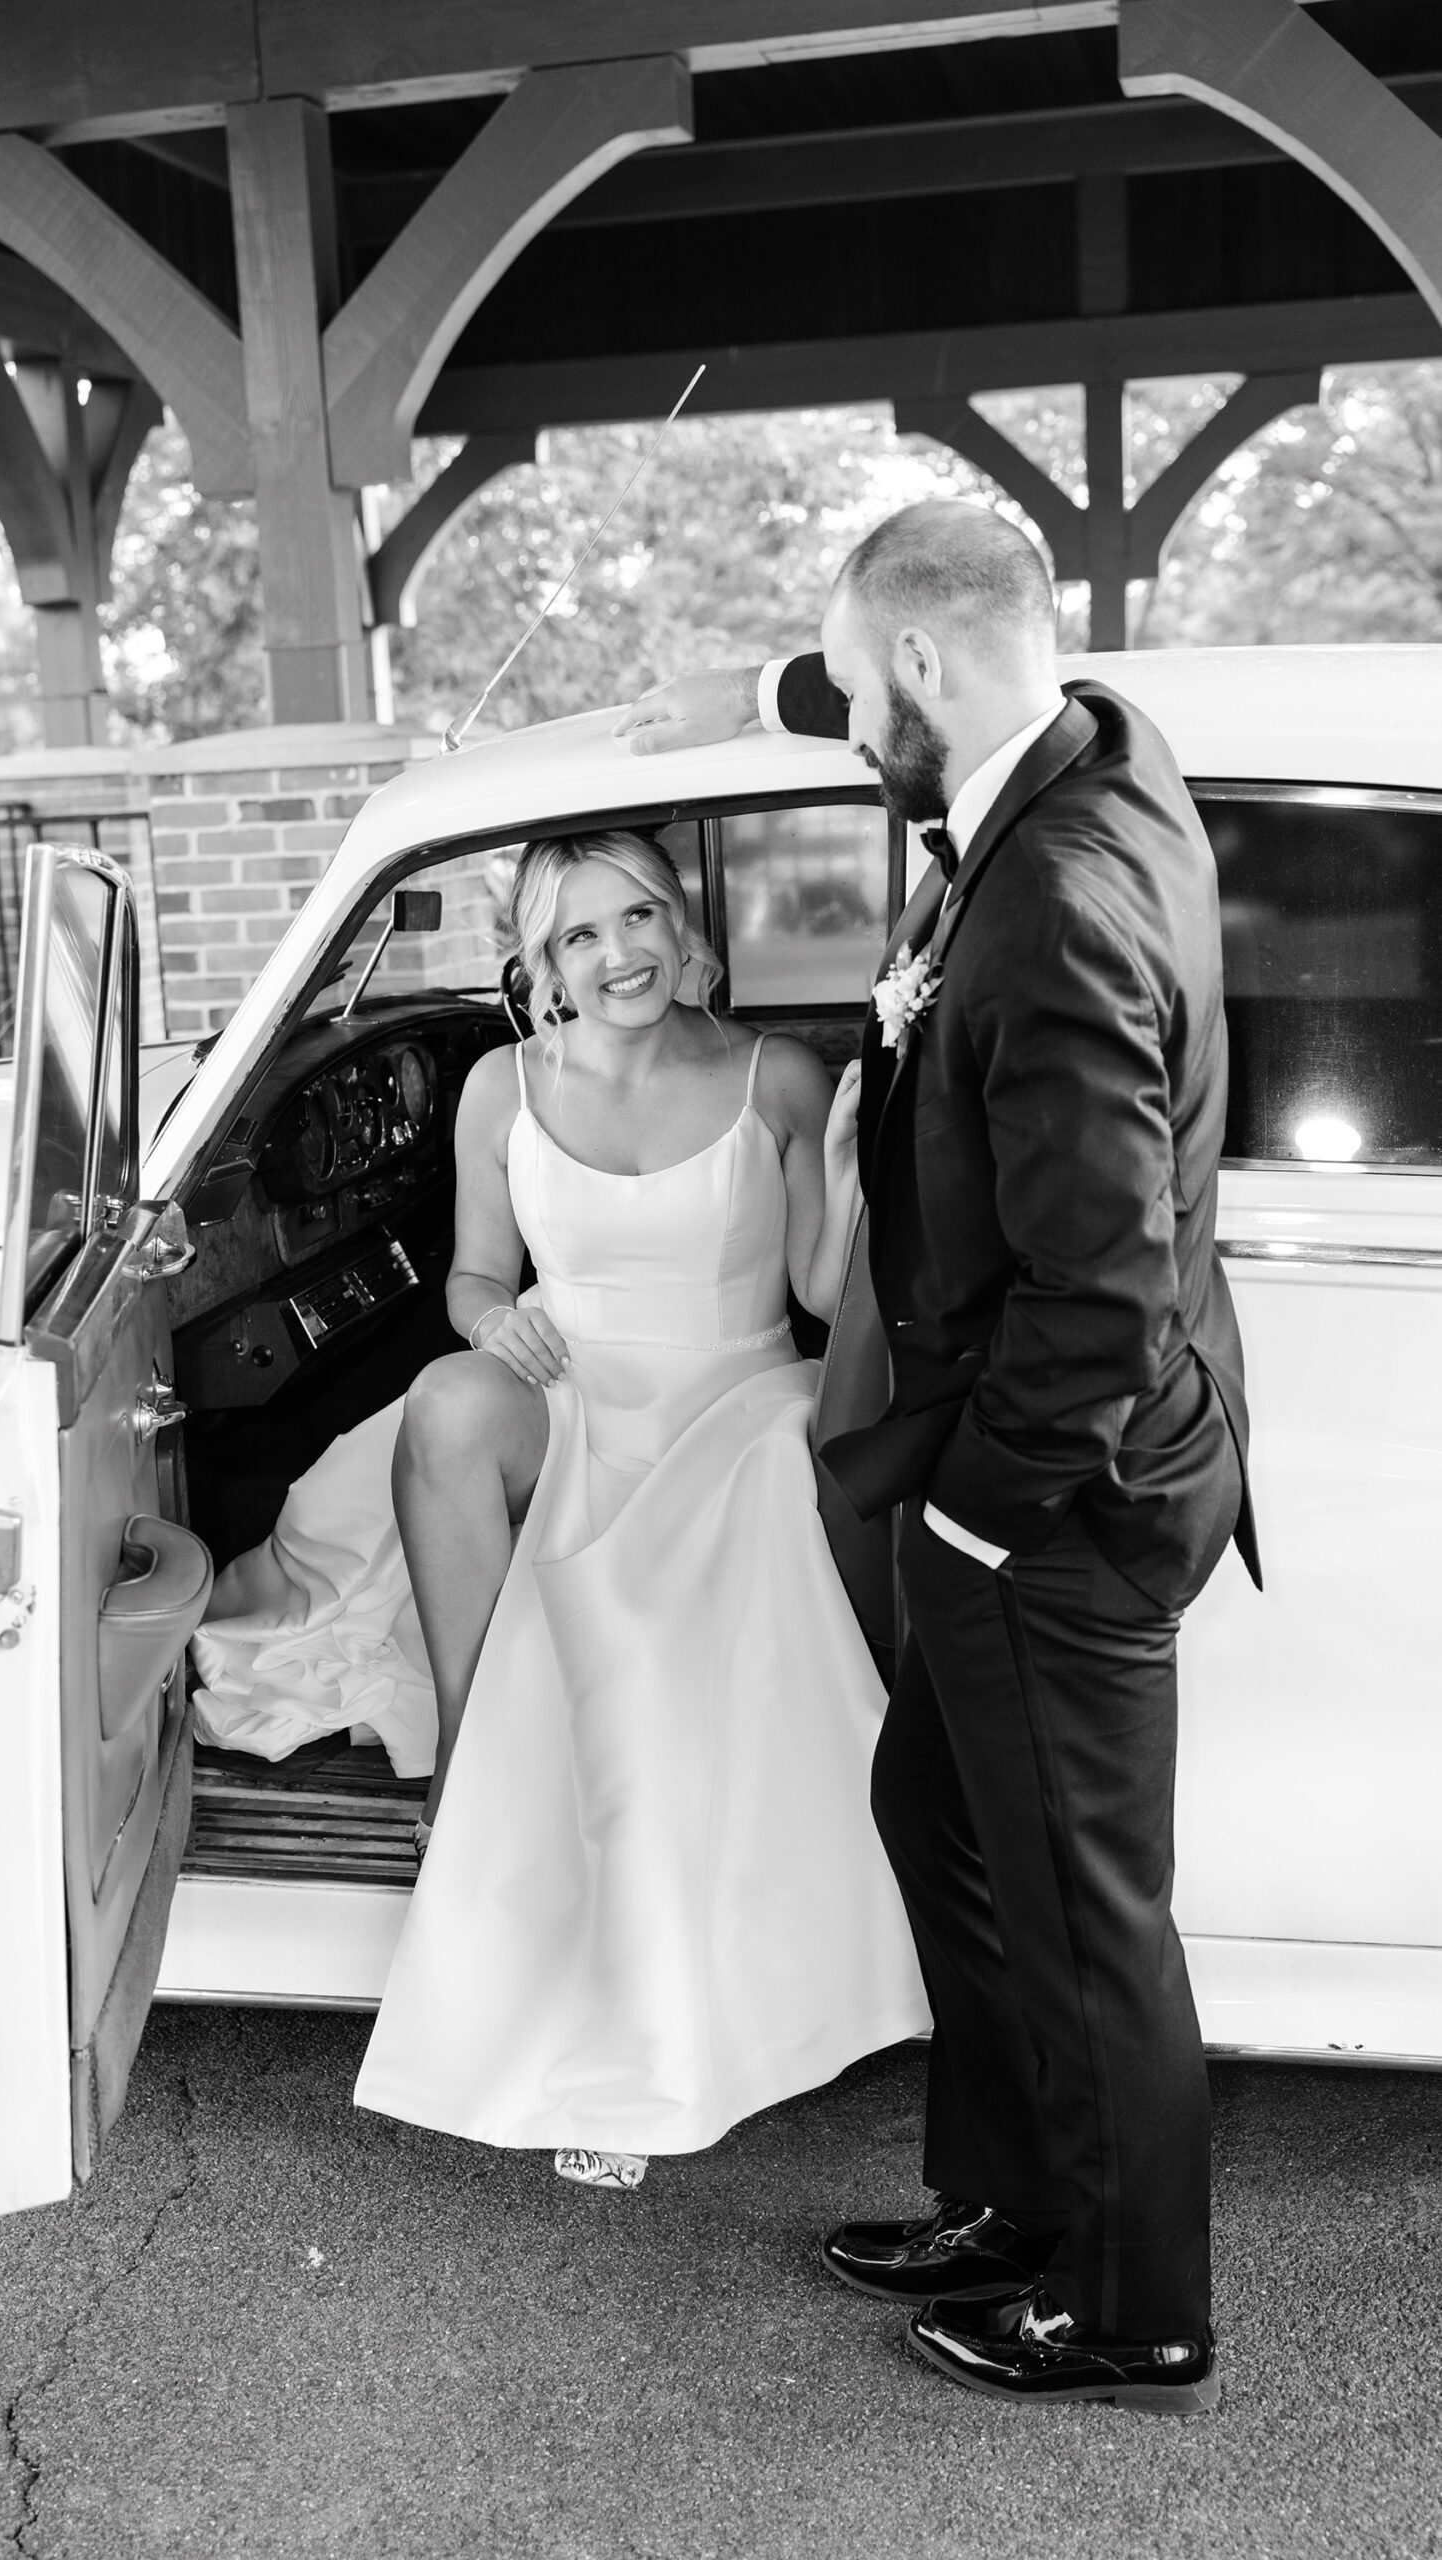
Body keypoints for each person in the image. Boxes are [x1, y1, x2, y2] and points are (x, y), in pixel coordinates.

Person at [615, 499, 1257, 2413]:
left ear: (921, 664)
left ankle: (1136, 2308)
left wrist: (973, 1521)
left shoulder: (1059, 891)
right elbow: (919, 664)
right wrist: (730, 686)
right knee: (944, 1818)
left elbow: (1102, 1282)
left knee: (1082, 1906)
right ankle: (1010, 2197)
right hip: (999, 1465)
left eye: (845, 676)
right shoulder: (1086, 744)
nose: (838, 715)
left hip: (1052, 1497)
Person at [193, 827, 928, 2188]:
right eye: (582, 934)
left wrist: (852, 1157)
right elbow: (474, 1279)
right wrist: (499, 1329)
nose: (621, 952)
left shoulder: (773, 1071)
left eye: (641, 916)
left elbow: (826, 1301)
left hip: (730, 1398)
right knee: (447, 1402)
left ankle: (639, 2045)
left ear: (679, 924)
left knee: (633, 1656)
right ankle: (477, 1762)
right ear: (538, 963)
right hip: (568, 1383)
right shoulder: (495, 1088)